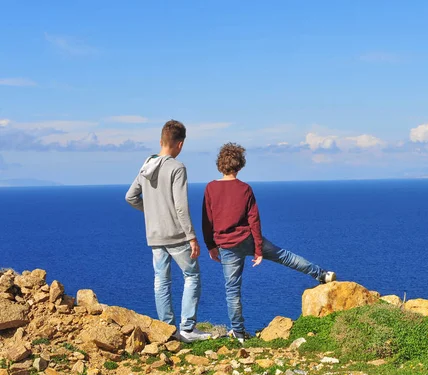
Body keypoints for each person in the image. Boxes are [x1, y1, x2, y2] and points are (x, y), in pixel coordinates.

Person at [202, 142, 336, 343]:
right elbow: (253, 220)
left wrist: (210, 246)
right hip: (247, 239)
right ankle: (322, 274)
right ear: (240, 165)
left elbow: (207, 220)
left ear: (220, 164)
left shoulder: (211, 188)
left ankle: (238, 333)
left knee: (232, 290)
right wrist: (258, 249)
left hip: (226, 246)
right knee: (284, 256)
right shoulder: (245, 189)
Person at [125, 119, 210, 343]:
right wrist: (192, 237)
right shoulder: (177, 167)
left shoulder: (147, 165)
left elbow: (130, 197)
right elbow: (181, 206)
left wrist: (151, 212)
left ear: (161, 140)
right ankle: (188, 329)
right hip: (175, 234)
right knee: (192, 276)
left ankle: (168, 331)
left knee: (161, 282)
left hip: (154, 235)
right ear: (180, 144)